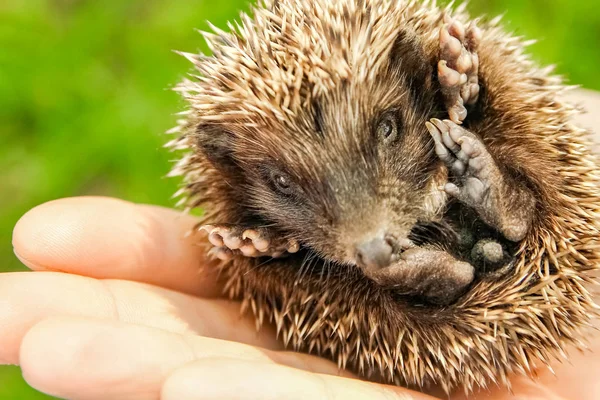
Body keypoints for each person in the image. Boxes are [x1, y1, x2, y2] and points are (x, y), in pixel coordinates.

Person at [3, 91, 600, 400]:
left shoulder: (427, 68)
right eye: (286, 183)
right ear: (228, 162)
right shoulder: (247, 210)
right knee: (333, 289)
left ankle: (494, 212)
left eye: (383, 129)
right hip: (417, 305)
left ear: (415, 68)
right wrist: (261, 250)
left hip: (479, 217)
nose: (365, 225)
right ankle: (434, 267)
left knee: (513, 152)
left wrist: (470, 94)